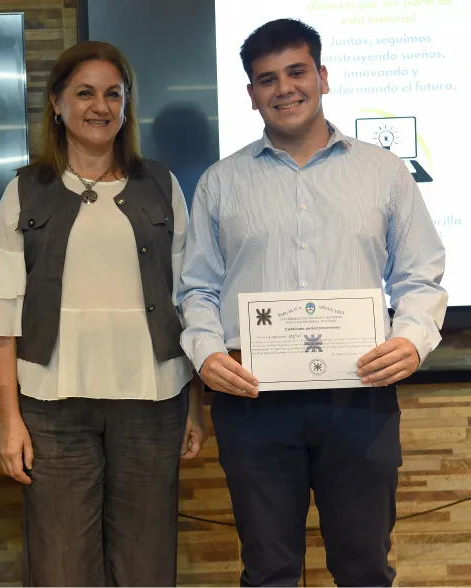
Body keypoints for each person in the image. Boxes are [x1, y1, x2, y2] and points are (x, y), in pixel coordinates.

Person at [178, 18, 447, 587]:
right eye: (267, 79)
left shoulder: (385, 172)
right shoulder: (221, 184)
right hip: (253, 400)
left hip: (360, 396)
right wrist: (204, 353)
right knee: (270, 570)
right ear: (251, 94)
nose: (285, 89)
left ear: (323, 77)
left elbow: (420, 275)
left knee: (364, 568)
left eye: (297, 72)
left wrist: (413, 338)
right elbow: (197, 288)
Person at [0, 41, 207, 587]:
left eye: (114, 94)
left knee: (145, 566)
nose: (100, 106)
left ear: (127, 106)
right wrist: (9, 422)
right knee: (60, 567)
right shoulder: (24, 190)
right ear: (57, 103)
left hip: (153, 405)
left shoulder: (162, 184)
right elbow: (2, 318)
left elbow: (193, 300)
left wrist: (195, 407)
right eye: (84, 93)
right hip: (51, 410)